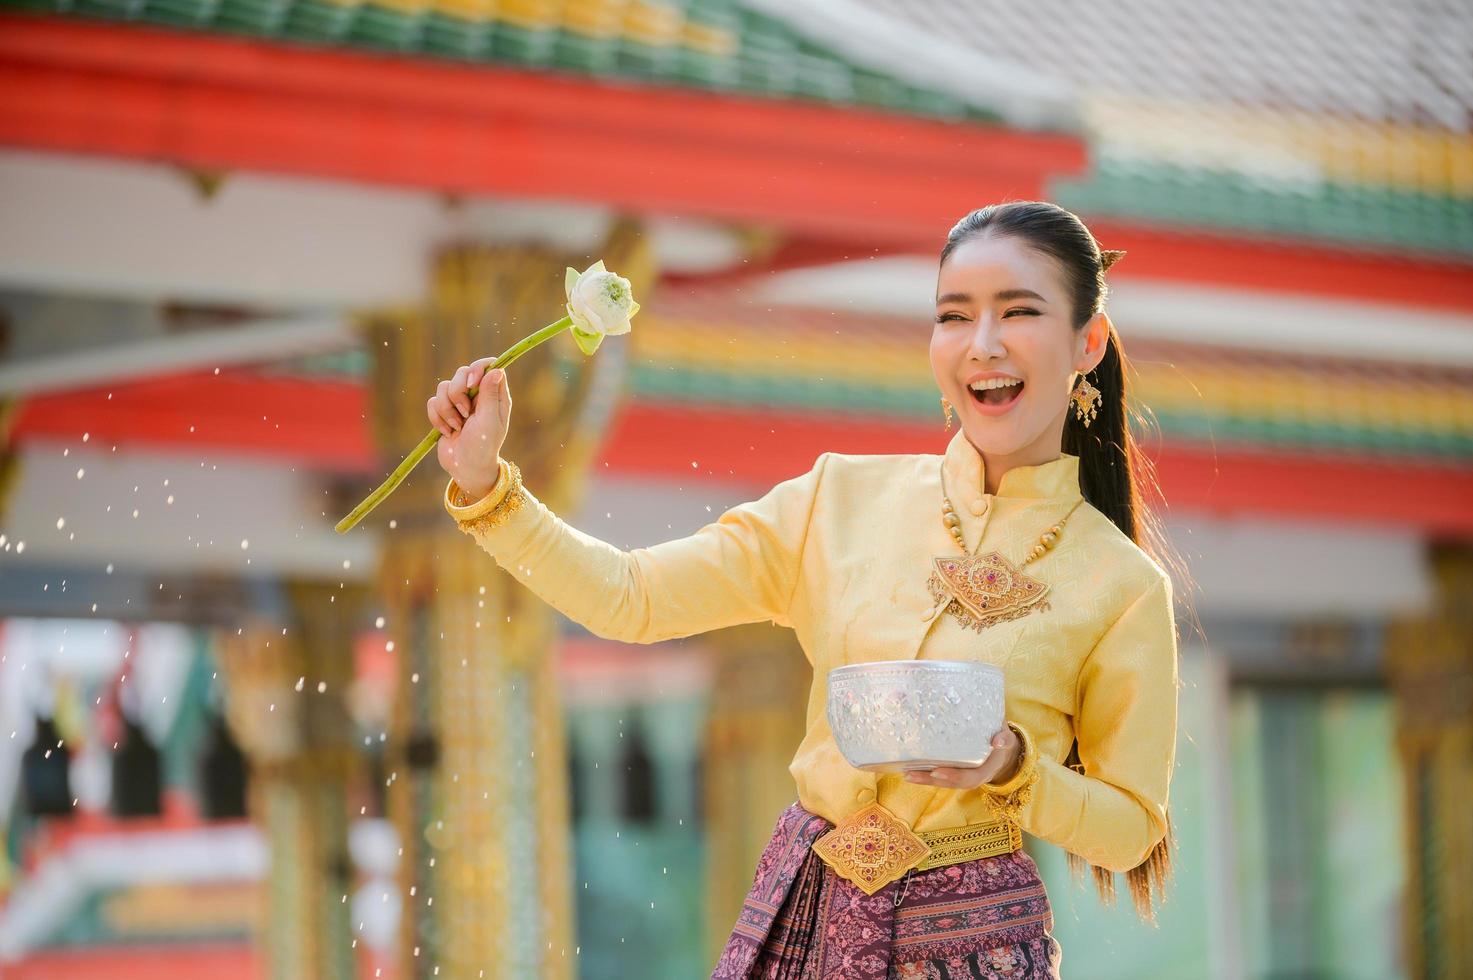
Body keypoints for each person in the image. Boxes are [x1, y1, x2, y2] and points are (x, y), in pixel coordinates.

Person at [430, 201, 1181, 979]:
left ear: (1086, 342)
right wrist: (488, 485)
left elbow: (1131, 828)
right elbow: (633, 597)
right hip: (804, 915)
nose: (981, 345)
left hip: (971, 947)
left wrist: (1014, 768)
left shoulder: (1120, 585)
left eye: (1018, 312)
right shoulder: (836, 499)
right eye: (953, 317)